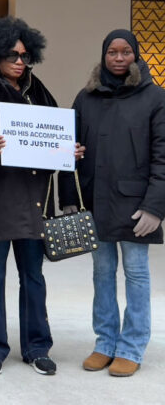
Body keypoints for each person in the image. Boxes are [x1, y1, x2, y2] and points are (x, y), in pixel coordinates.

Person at [0, 17, 82, 376]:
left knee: (34, 277)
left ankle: (37, 346)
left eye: (26, 56)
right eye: (11, 54)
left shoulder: (43, 96)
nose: (19, 61)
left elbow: (53, 143)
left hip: (35, 202)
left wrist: (67, 151)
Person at [59, 29, 165, 377]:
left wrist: (155, 207)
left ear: (135, 55)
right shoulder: (86, 97)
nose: (119, 58)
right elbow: (67, 150)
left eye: (126, 52)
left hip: (136, 204)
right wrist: (71, 198)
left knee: (135, 273)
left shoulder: (154, 97)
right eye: (112, 53)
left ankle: (132, 347)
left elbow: (162, 156)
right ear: (103, 56)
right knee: (102, 272)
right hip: (95, 200)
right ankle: (105, 342)